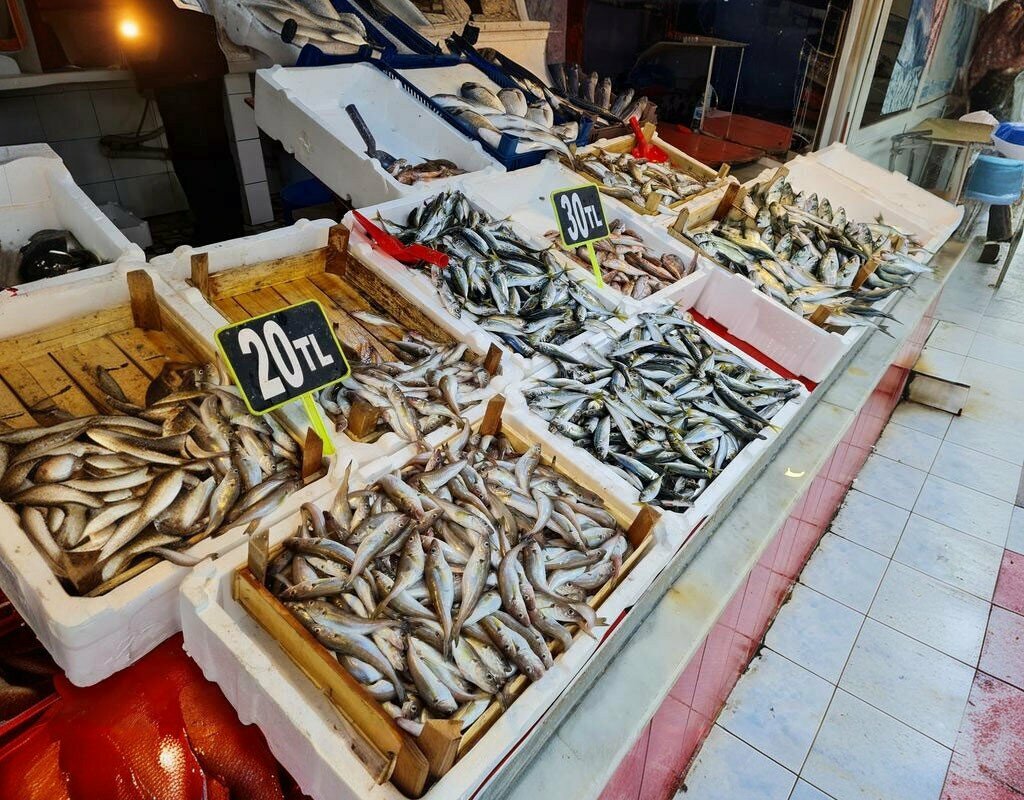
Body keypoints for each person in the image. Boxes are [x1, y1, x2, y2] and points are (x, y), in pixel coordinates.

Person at [122, 1, 244, 245]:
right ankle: (229, 228)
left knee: (192, 156)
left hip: (174, 73)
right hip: (203, 65)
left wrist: (143, 73)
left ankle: (213, 231)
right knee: (214, 151)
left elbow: (138, 35)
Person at [967, 0, 1024, 262]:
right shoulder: (1014, 9)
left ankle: (995, 232)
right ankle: (996, 233)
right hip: (995, 82)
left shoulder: (1010, 8)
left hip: (990, 82)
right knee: (994, 154)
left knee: (989, 154)